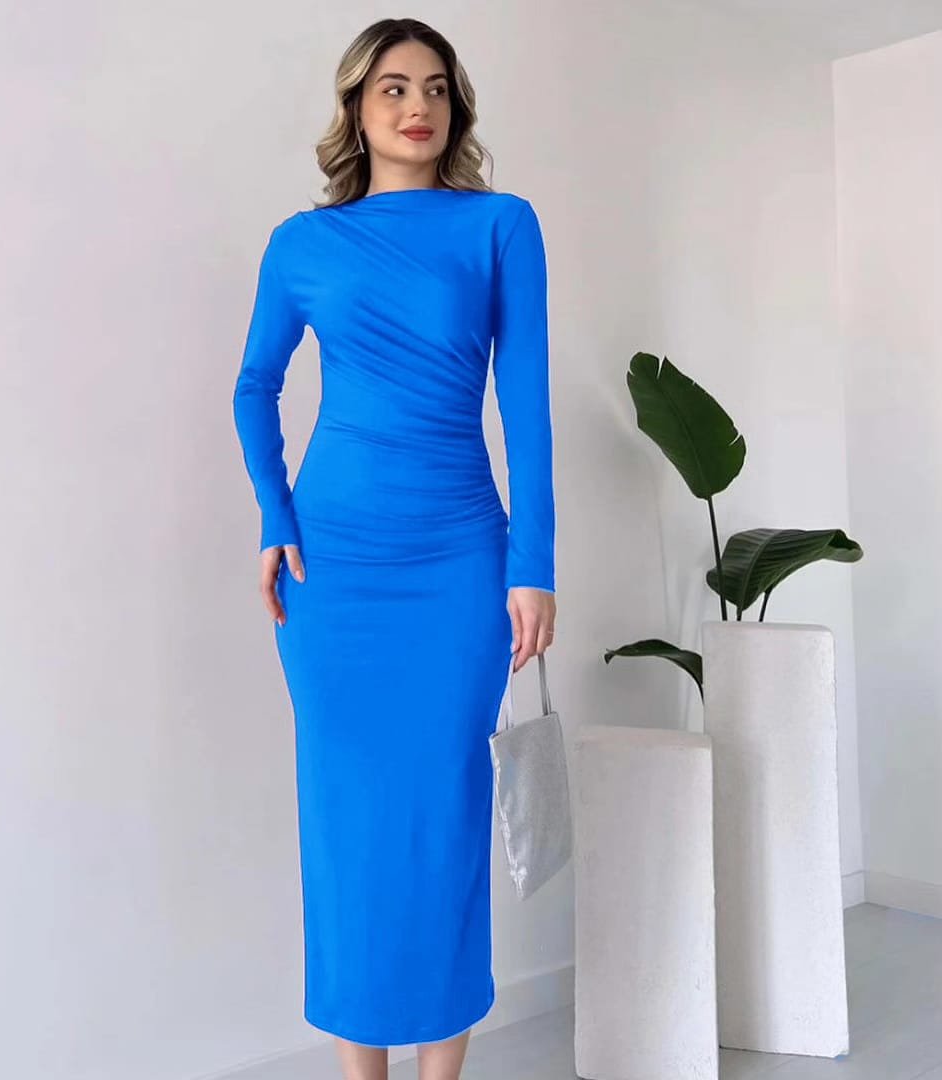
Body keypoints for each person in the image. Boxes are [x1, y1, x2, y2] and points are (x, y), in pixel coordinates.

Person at [232, 17, 557, 1080]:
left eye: (436, 88)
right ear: (357, 108)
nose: (418, 106)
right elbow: (254, 386)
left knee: (444, 821)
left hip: (460, 563)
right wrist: (277, 516)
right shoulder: (304, 243)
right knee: (348, 830)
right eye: (393, 87)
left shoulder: (501, 225)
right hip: (333, 572)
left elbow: (526, 407)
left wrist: (532, 563)